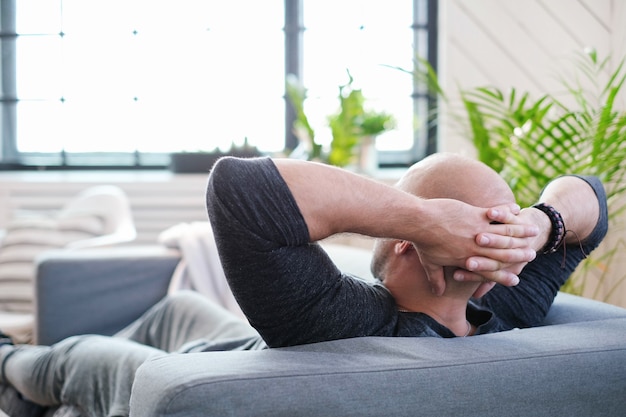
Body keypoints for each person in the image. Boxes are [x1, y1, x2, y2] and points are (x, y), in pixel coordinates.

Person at [0, 153, 608, 417]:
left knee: (74, 358)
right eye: (490, 221)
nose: (509, 238)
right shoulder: (500, 307)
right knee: (178, 305)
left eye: (508, 224)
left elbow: (590, 203)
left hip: (207, 368)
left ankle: (11, 364)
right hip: (233, 346)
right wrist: (436, 218)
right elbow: (240, 189)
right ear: (410, 243)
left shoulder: (347, 320)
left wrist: (536, 222)